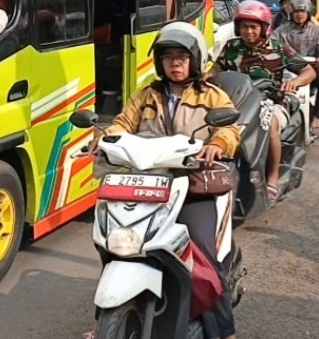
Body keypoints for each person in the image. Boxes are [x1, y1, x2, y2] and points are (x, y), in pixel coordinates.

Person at [103, 22, 240, 339]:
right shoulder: (145, 95)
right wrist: (105, 140)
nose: (175, 63)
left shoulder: (212, 96)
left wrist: (217, 145)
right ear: (159, 62)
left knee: (203, 255)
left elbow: (230, 129)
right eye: (168, 57)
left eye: (181, 56)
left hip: (194, 186)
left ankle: (224, 331)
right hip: (149, 184)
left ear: (195, 59)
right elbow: (122, 124)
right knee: (120, 243)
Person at [210, 0, 316, 200]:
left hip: (271, 103)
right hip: (236, 103)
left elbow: (308, 72)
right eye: (244, 27)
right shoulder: (231, 46)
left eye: (253, 27)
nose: (248, 31)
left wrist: (294, 83)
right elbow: (215, 70)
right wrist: (207, 79)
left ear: (264, 28)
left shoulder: (279, 48)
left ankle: (273, 178)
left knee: (271, 126)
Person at [273, 0, 319, 138]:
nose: (299, 15)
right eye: (296, 12)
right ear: (291, 13)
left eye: (302, 12)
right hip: (287, 68)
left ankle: (317, 118)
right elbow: (272, 44)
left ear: (308, 13)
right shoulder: (281, 31)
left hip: (312, 68)